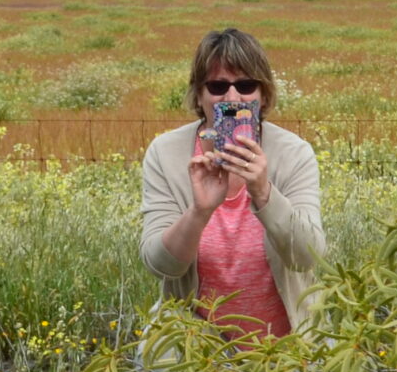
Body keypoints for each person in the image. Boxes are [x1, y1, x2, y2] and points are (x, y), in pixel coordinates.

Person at [139, 27, 326, 340]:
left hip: (283, 340)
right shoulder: (166, 152)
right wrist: (199, 212)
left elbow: (307, 256)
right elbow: (160, 265)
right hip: (198, 340)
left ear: (263, 94)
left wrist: (264, 193)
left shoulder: (293, 152)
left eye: (246, 85)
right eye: (217, 86)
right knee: (161, 347)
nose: (232, 98)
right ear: (199, 95)